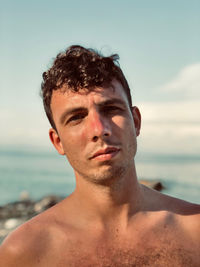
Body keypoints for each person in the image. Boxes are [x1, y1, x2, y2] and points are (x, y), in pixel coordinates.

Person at [0, 45, 199, 267]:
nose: (99, 129)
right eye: (76, 117)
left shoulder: (195, 230)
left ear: (136, 122)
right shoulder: (24, 252)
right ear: (57, 141)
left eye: (111, 109)